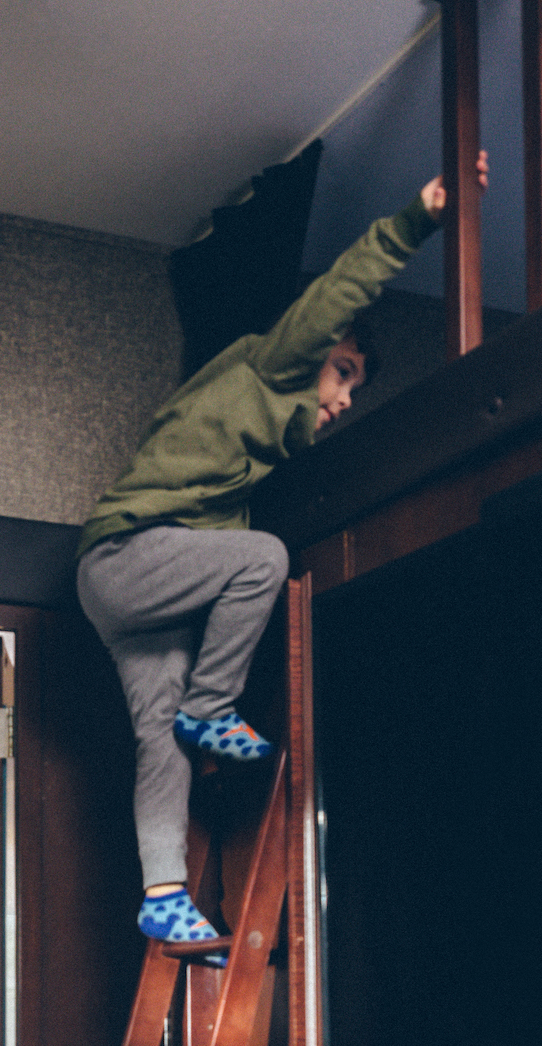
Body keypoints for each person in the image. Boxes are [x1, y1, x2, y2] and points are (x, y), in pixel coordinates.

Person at [78, 157, 489, 944]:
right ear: (311, 356)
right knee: (262, 558)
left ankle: (163, 893)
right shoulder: (272, 367)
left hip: (123, 588)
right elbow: (339, 293)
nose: (341, 398)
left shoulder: (243, 457)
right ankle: (210, 709)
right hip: (126, 558)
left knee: (156, 737)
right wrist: (419, 214)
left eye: (354, 389)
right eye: (342, 373)